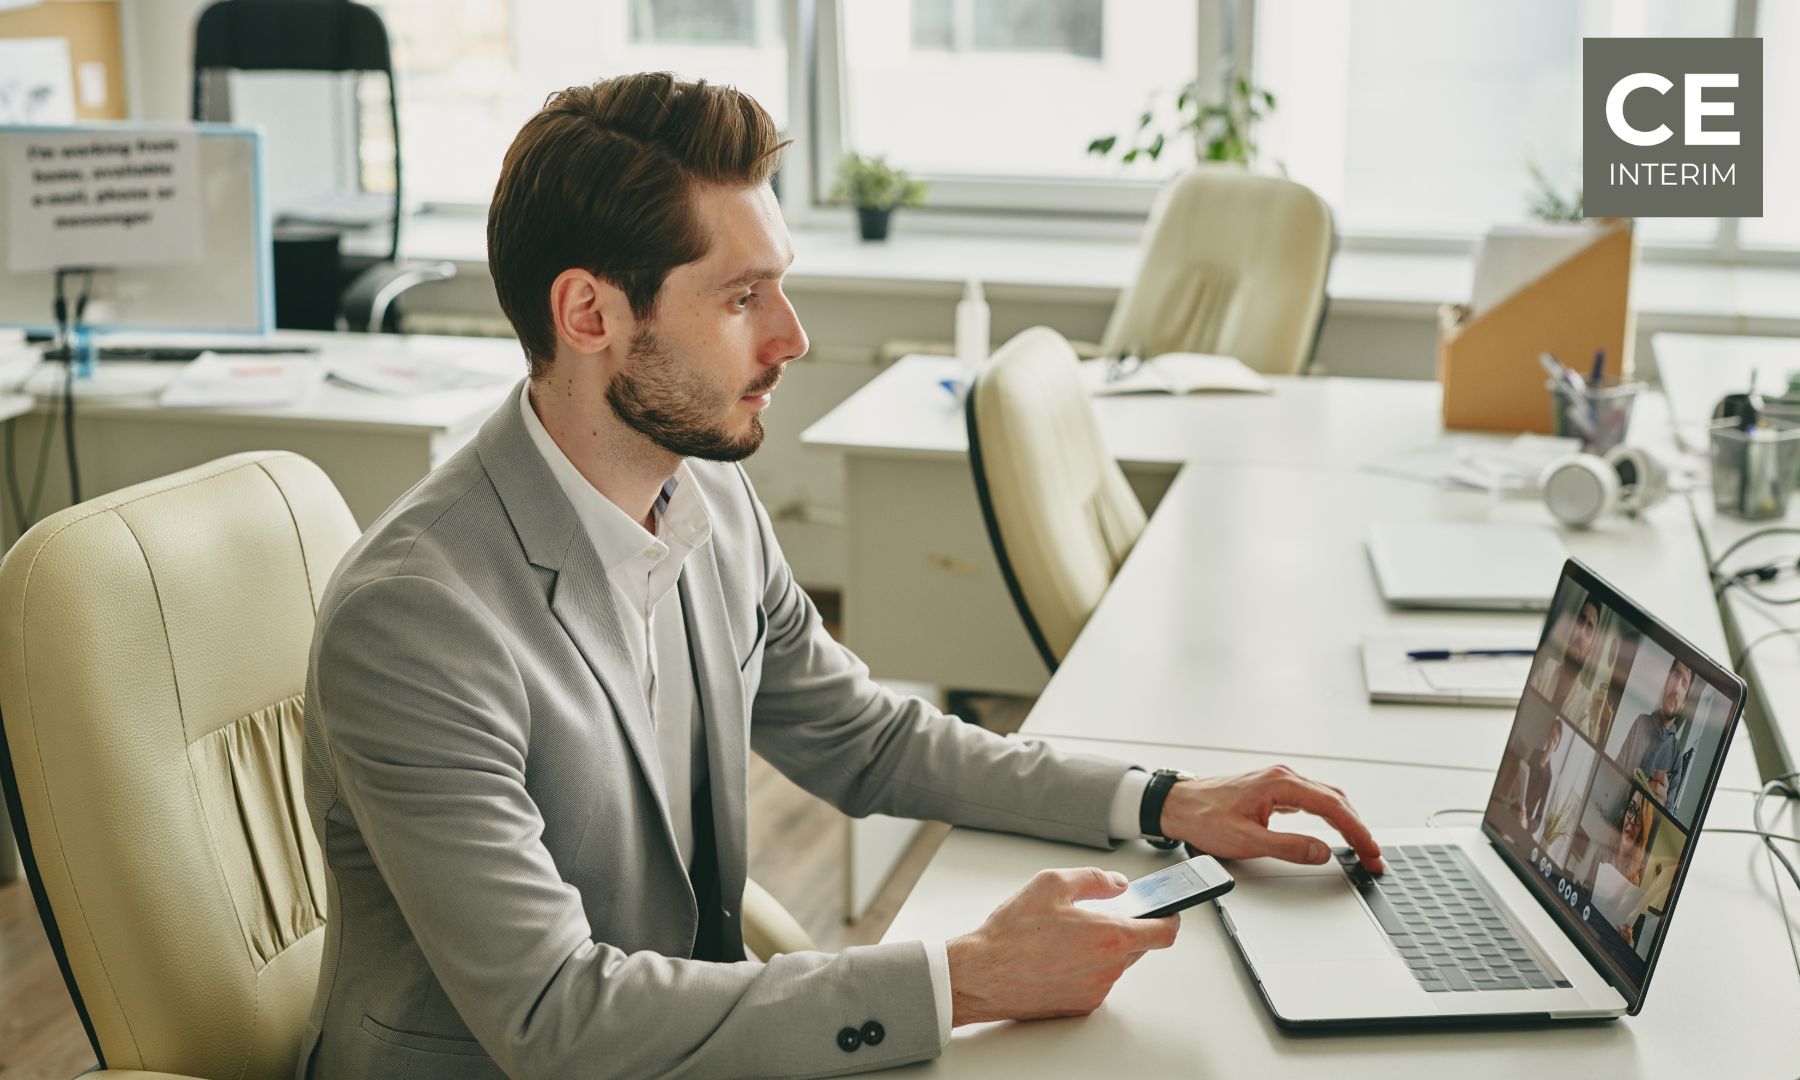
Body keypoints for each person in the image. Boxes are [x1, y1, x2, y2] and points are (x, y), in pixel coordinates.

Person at [296, 73, 1383, 1080]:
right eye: (741, 298)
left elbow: (865, 737)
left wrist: (1162, 799)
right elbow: (553, 1017)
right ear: (591, 315)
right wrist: (966, 976)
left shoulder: (704, 496)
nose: (794, 336)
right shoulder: (417, 620)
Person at [1615, 661, 1696, 805]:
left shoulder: (1677, 754)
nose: (1676, 688)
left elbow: (1667, 813)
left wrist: (1661, 804)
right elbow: (1615, 770)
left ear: (1684, 703)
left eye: (1684, 683)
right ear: (1666, 681)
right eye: (1676, 675)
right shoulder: (1641, 722)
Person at [1528, 598, 1599, 717]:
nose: (1581, 633)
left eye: (1589, 629)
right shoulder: (1548, 668)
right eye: (1580, 622)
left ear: (1590, 651)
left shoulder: (1585, 701)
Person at [1517, 721, 1564, 837]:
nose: (1551, 744)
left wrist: (1526, 823)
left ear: (1556, 747)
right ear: (1547, 736)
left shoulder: (1548, 777)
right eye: (1551, 736)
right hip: (1513, 805)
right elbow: (1521, 778)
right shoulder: (1535, 754)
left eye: (1555, 742)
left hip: (1524, 821)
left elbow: (1538, 819)